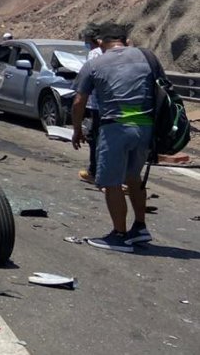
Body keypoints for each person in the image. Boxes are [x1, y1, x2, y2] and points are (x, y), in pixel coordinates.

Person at [69, 22, 163, 252]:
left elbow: (78, 102)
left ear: (100, 43)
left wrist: (77, 129)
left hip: (116, 128)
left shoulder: (94, 63)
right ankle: (140, 228)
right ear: (126, 40)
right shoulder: (147, 56)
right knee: (134, 178)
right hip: (146, 128)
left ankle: (119, 236)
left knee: (111, 182)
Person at [78, 24, 103, 184]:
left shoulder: (94, 54)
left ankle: (94, 171)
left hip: (97, 103)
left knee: (95, 138)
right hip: (113, 104)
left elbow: (89, 77)